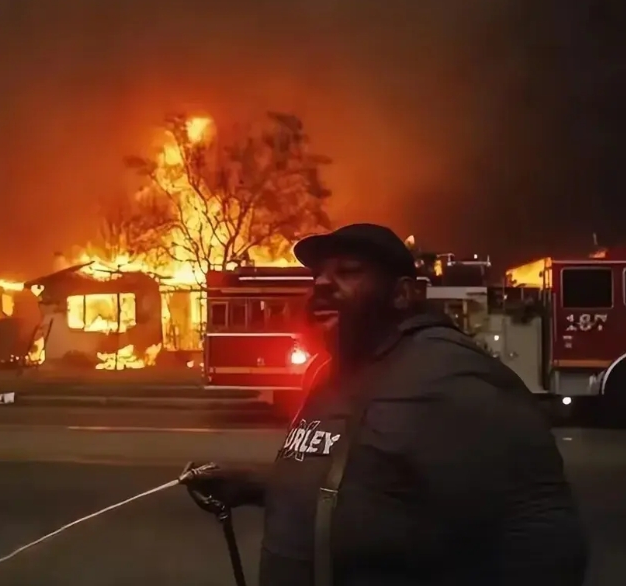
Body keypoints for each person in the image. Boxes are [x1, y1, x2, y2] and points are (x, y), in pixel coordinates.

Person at [181, 223, 588, 586]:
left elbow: (542, 536)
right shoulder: (332, 371)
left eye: (348, 272)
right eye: (318, 274)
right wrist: (257, 485)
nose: (322, 284)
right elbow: (368, 484)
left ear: (403, 294)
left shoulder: (449, 377)